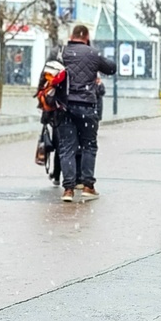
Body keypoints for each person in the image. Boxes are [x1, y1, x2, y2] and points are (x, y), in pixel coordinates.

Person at [59, 24, 115, 202]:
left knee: (67, 147)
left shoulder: (61, 52)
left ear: (72, 35)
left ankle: (68, 189)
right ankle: (88, 186)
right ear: (86, 36)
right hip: (87, 105)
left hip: (64, 106)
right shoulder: (92, 53)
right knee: (89, 145)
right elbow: (111, 68)